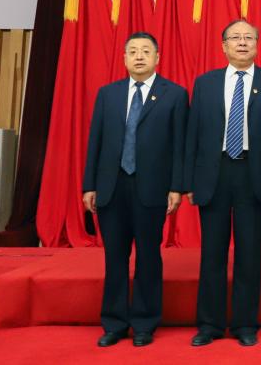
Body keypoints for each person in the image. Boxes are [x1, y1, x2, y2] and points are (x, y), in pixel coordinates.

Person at [184, 19, 261, 347]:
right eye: (235, 38)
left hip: (252, 174)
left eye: (248, 38)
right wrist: (188, 181)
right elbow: (192, 134)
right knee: (212, 254)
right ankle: (209, 325)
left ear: (257, 45)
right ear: (224, 46)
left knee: (249, 254)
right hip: (213, 174)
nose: (242, 43)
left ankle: (245, 325)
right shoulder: (205, 83)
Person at [82, 32, 188, 348]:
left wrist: (177, 186)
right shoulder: (108, 94)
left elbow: (180, 146)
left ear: (157, 58)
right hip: (111, 186)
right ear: (125, 58)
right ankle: (114, 323)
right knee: (114, 257)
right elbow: (95, 142)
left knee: (148, 256)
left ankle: (144, 322)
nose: (139, 56)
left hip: (152, 187)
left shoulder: (175, 94)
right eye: (132, 51)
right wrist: (90, 185)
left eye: (145, 51)